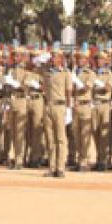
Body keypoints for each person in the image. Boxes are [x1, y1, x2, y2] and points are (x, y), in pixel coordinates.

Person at [43, 45, 72, 178]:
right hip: (48, 106)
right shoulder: (47, 71)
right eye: (52, 56)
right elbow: (32, 66)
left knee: (60, 138)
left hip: (60, 107)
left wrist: (69, 108)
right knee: (50, 138)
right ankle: (52, 167)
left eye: (55, 56)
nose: (52, 58)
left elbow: (69, 91)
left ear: (61, 59)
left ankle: (60, 167)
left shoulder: (65, 73)